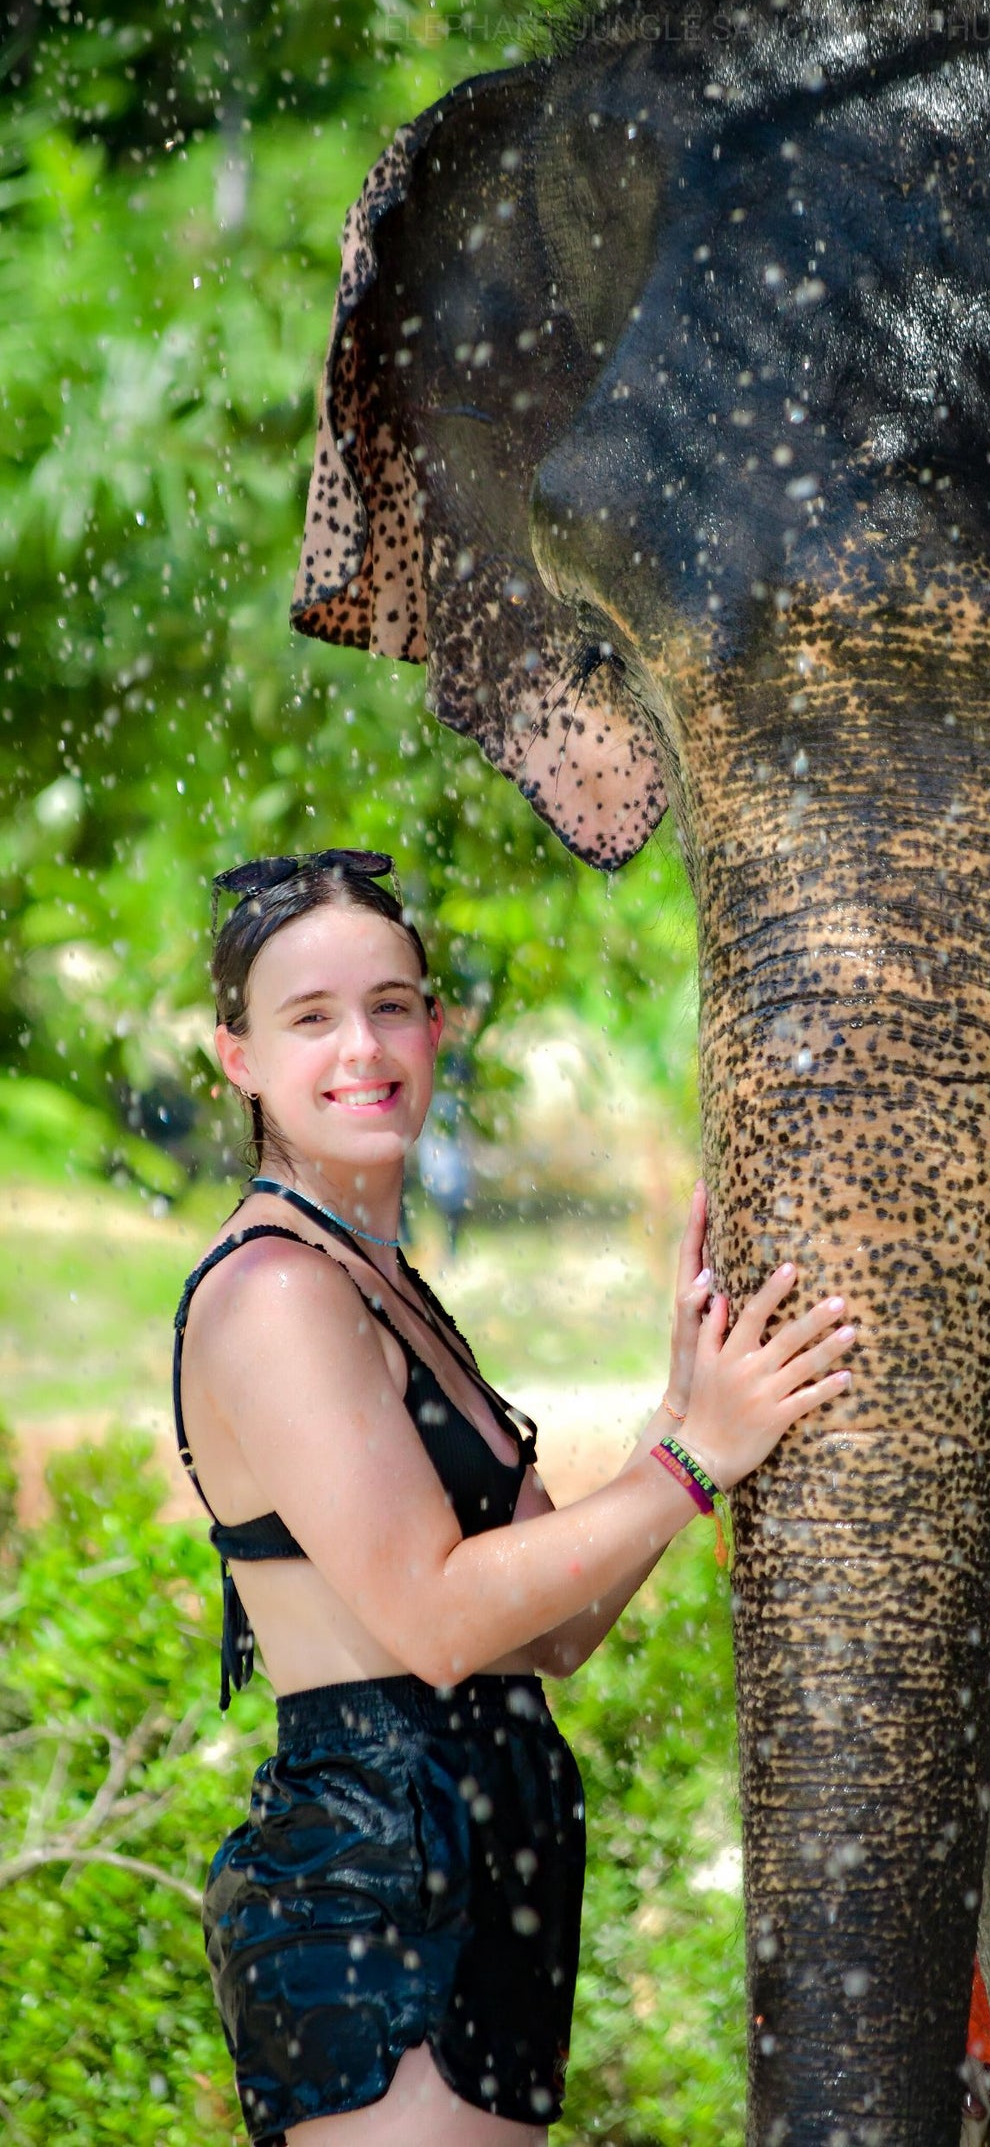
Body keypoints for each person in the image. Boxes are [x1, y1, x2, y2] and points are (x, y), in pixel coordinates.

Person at [174, 848, 856, 2145]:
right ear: (237, 1056)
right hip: (378, 1890)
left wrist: (679, 1411)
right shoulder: (274, 1295)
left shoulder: (377, 1282)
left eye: (390, 1005)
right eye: (309, 1018)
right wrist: (692, 1461)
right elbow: (435, 1624)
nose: (361, 1047)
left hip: (480, 1878)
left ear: (438, 1028)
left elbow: (553, 1630)